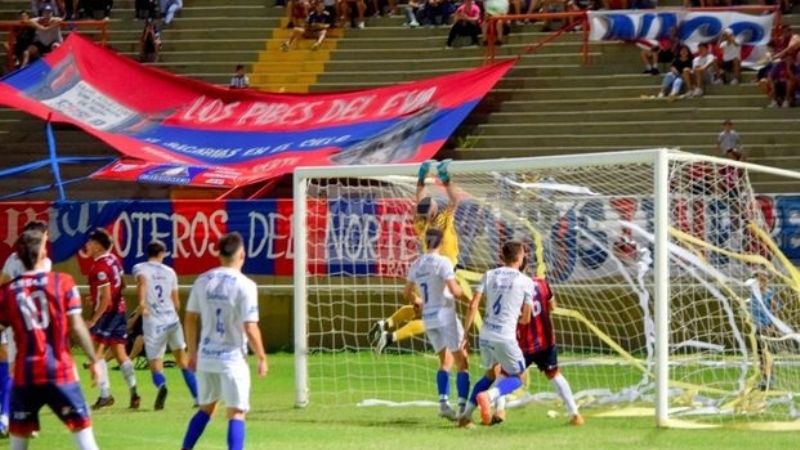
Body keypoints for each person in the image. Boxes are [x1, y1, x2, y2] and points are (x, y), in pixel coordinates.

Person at [0, 228, 101, 449]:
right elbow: (77, 326)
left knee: (18, 445)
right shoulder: (63, 282)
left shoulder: (7, 292)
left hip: (24, 376)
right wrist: (94, 360)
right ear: (43, 254)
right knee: (85, 440)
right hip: (60, 372)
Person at [180, 232, 268, 450]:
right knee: (236, 413)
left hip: (207, 357)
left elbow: (190, 318)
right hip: (231, 359)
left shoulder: (203, 280)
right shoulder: (246, 285)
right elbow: (250, 326)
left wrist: (192, 353)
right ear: (242, 255)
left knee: (206, 408)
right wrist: (262, 357)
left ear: (219, 255)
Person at [371, 160, 467, 353]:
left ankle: (387, 323)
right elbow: (456, 200)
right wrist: (446, 180)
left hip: (425, 269)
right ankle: (390, 337)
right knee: (429, 318)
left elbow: (419, 201)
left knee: (421, 308)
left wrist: (421, 179)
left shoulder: (420, 224)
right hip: (442, 272)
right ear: (434, 210)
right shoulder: (443, 219)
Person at [458, 241, 533, 428]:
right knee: (519, 377)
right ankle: (489, 396)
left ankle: (466, 417)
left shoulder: (489, 275)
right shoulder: (526, 281)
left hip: (486, 333)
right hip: (505, 336)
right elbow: (526, 318)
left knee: (492, 374)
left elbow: (473, 305)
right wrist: (516, 316)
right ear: (521, 256)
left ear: (503, 256)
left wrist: (465, 335)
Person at [404, 228, 469, 420]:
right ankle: (464, 409)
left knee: (445, 362)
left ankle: (443, 404)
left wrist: (417, 302)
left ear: (426, 242)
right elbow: (454, 290)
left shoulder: (417, 263)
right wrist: (465, 293)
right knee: (462, 362)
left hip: (429, 318)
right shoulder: (443, 262)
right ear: (441, 243)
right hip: (445, 315)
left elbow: (406, 293)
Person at [0, 220, 53, 438]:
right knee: (18, 369)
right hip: (27, 324)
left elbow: (3, 284)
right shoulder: (41, 262)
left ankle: (19, 417)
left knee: (20, 370)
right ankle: (8, 417)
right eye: (45, 237)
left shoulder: (16, 260)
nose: (47, 240)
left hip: (23, 322)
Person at [133, 241, 199, 410]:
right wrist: (171, 311)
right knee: (182, 360)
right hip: (172, 320)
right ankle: (198, 396)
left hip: (154, 322)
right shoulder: (170, 272)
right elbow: (176, 301)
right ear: (162, 254)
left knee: (155, 362)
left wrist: (141, 302)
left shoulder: (140, 267)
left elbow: (142, 282)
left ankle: (162, 386)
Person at [84, 228, 140, 410]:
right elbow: (122, 283)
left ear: (98, 246)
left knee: (96, 353)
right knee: (120, 353)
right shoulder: (113, 259)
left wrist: (94, 319)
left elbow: (106, 297)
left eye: (91, 242)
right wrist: (96, 297)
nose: (87, 245)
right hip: (120, 311)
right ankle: (134, 390)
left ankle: (105, 395)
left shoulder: (100, 267)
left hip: (107, 315)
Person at [747, 270, 780, 391]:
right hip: (756, 327)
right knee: (761, 356)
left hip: (766, 327)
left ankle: (770, 380)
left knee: (768, 355)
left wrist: (772, 326)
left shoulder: (769, 294)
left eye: (761, 280)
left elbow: (775, 310)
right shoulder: (752, 294)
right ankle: (765, 379)